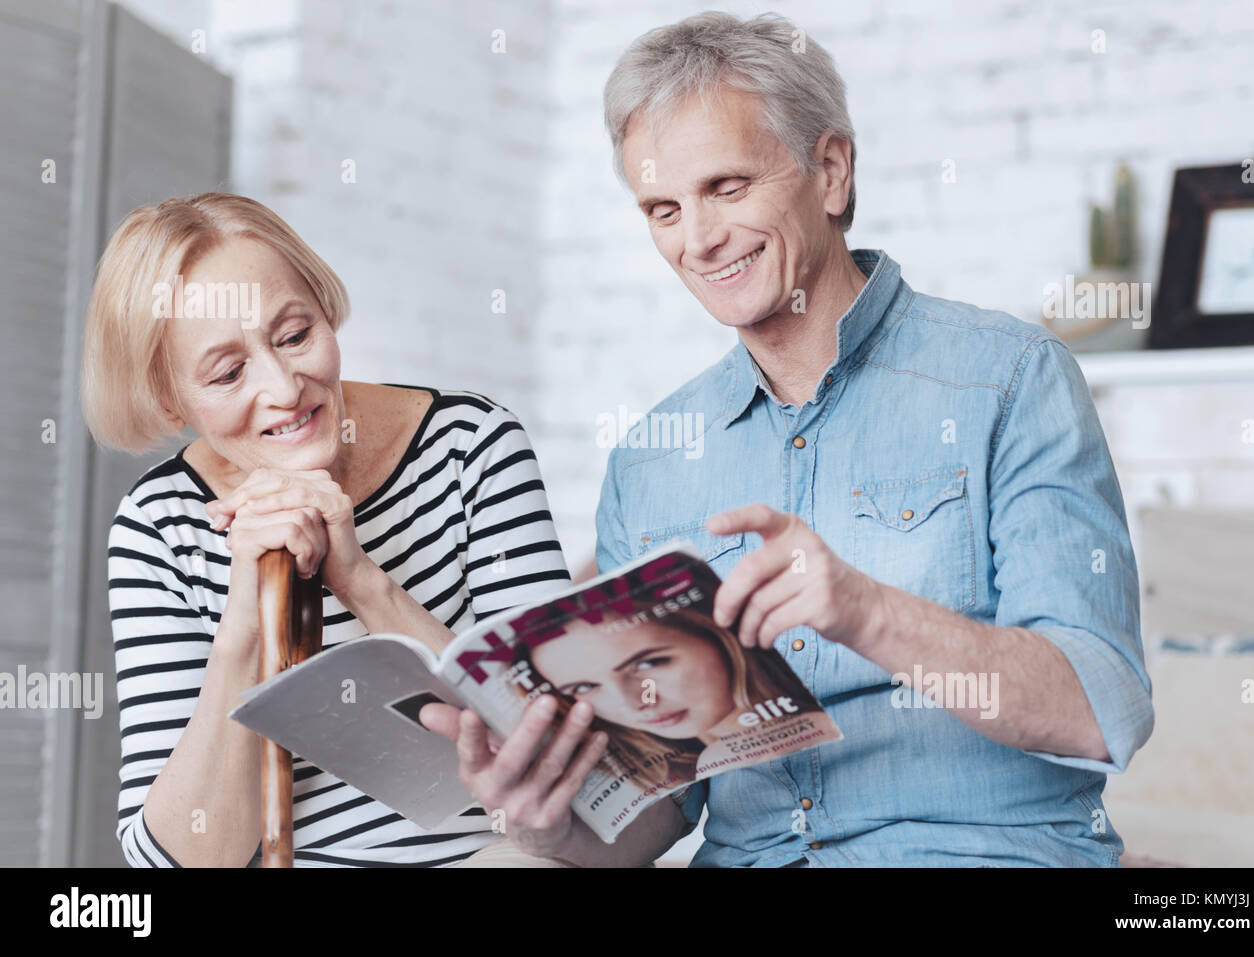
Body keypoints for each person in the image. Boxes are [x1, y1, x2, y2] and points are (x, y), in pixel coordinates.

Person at [422, 11, 1154, 867]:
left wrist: (868, 611)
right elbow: (664, 806)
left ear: (831, 170)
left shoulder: (1011, 379)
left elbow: (1101, 708)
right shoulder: (651, 460)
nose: (698, 240)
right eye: (664, 209)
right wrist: (549, 819)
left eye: (727, 188)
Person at [85, 192, 571, 867]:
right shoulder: (159, 525)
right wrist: (246, 622)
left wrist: (361, 579)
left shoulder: (470, 448)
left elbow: (566, 761)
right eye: (229, 372)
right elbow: (183, 860)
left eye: (294, 334)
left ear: (324, 308)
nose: (286, 387)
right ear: (170, 398)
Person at [510, 591, 829, 795]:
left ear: (716, 636)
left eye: (648, 663)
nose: (636, 704)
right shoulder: (662, 772)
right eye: (583, 687)